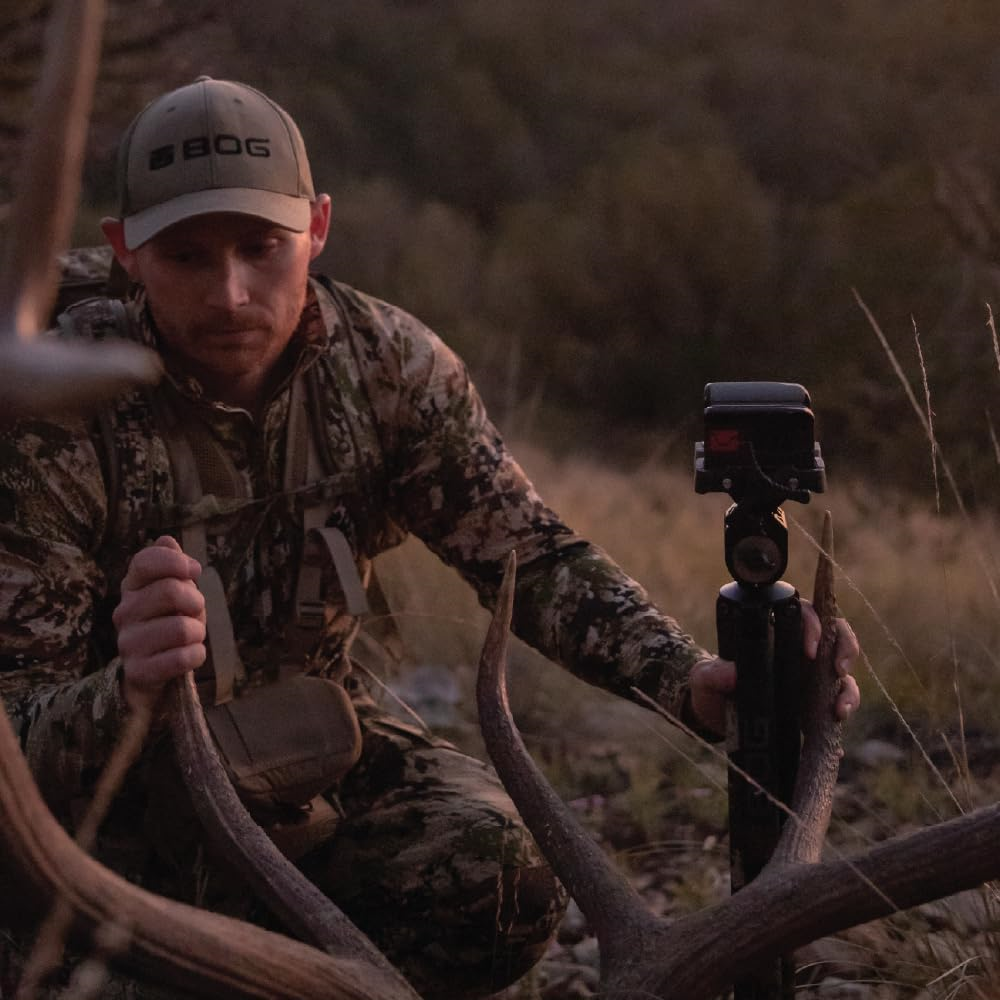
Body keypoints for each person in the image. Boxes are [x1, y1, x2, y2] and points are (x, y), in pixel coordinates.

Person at [0, 77, 860, 999]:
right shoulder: (49, 412)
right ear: (124, 251)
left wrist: (688, 680)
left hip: (303, 748)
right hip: (104, 796)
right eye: (187, 256)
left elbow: (532, 557)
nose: (232, 293)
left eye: (261, 247)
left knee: (499, 883)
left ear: (317, 228)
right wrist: (128, 692)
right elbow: (13, 734)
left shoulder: (389, 369)